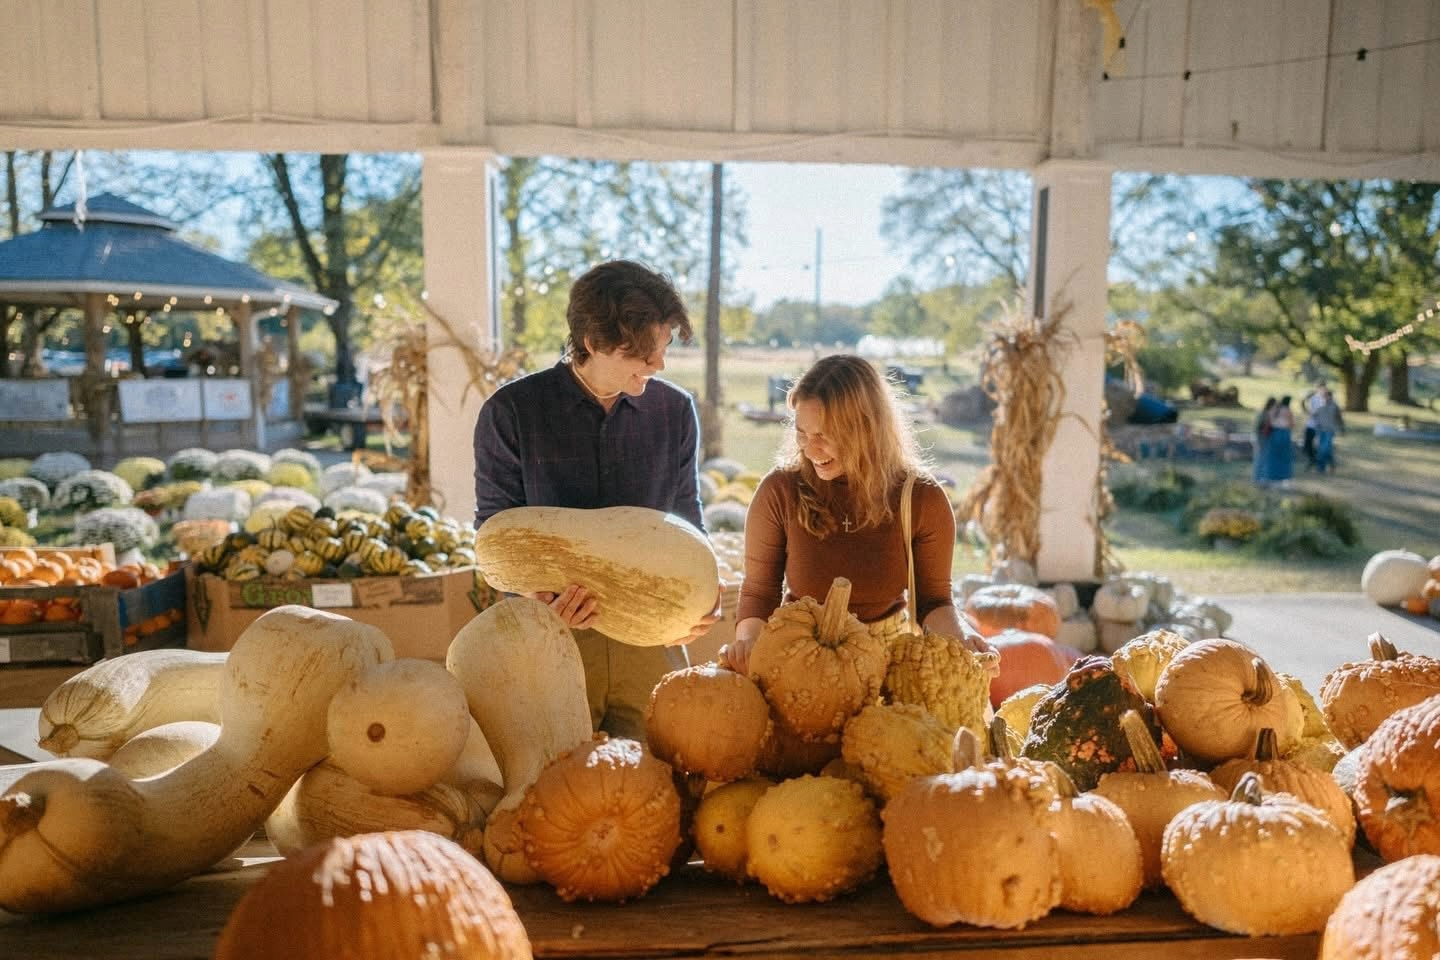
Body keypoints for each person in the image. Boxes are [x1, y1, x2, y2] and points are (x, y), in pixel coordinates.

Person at [472, 259, 719, 740]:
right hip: (554, 636)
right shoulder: (510, 412)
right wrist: (535, 597)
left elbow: (687, 516)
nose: (658, 365)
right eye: (644, 354)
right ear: (593, 343)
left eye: (663, 349)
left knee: (660, 787)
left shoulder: (675, 410)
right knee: (559, 789)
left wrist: (700, 598)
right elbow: (495, 534)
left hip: (654, 637)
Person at [718, 355, 993, 677]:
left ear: (867, 427)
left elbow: (933, 601)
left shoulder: (921, 499)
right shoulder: (779, 490)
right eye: (802, 433)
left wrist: (961, 640)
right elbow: (759, 592)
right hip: (798, 661)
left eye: (824, 436)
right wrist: (748, 643)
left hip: (887, 665)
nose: (810, 449)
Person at [1312, 385, 1345, 473]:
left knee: (1324, 449)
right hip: (1320, 430)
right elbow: (1314, 415)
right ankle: (1328, 465)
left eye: (1327, 396)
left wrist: (1342, 429)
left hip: (1330, 431)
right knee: (1323, 450)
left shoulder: (1334, 406)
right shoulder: (1319, 406)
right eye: (1324, 396)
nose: (1326, 398)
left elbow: (1339, 418)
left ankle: (1321, 468)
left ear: (1330, 397)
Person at [1264, 395, 1296, 486]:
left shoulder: (1274, 410)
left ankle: (1272, 477)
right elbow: (1292, 424)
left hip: (1274, 433)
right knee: (1285, 456)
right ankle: (1285, 478)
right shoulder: (1288, 411)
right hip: (1284, 433)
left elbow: (1269, 420)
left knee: (1273, 456)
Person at [1253, 396, 1276, 486]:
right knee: (1261, 458)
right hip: (1261, 438)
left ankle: (1260, 478)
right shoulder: (1264, 414)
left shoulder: (1264, 413)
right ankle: (1259, 479)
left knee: (1262, 458)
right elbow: (1260, 427)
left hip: (1261, 437)